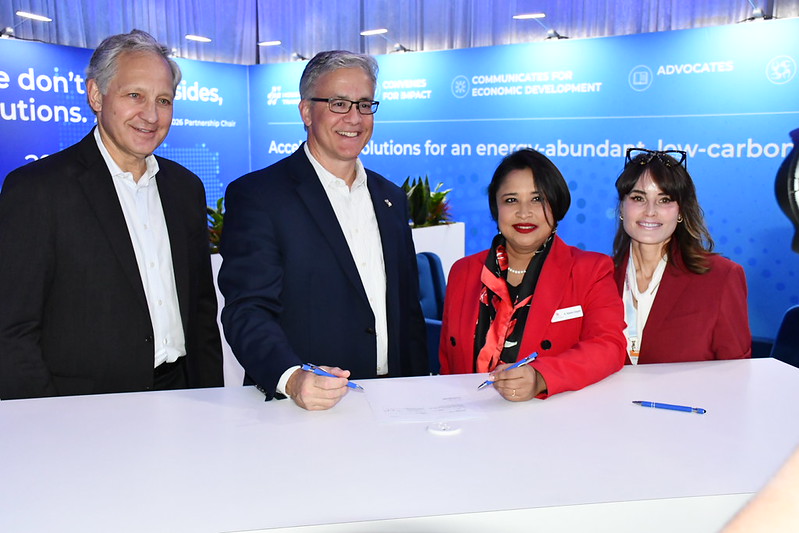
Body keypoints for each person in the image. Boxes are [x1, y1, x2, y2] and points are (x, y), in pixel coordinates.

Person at [0, 30, 223, 400]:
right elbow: (13, 328)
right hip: (81, 410)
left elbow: (201, 314)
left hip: (182, 398)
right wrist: (43, 422)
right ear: (96, 95)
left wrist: (210, 400)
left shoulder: (185, 188)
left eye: (164, 100)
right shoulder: (38, 190)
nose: (151, 115)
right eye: (135, 95)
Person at [219, 50, 428, 411]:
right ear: (305, 111)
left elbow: (407, 312)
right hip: (304, 405)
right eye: (339, 103)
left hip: (391, 402)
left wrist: (419, 390)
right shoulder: (259, 196)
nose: (354, 118)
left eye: (364, 104)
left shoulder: (391, 198)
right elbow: (247, 310)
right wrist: (293, 378)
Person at [439, 148, 626, 401]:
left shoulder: (591, 270)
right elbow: (448, 365)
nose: (524, 212)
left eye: (537, 199)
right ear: (496, 208)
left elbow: (608, 347)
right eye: (511, 200)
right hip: (471, 420)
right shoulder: (464, 271)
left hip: (550, 422)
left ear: (556, 204)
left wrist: (541, 377)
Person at [612, 148, 751, 364]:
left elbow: (736, 374)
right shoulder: (598, 277)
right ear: (622, 207)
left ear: (681, 211)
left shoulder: (721, 277)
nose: (650, 211)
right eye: (638, 197)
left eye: (664, 199)